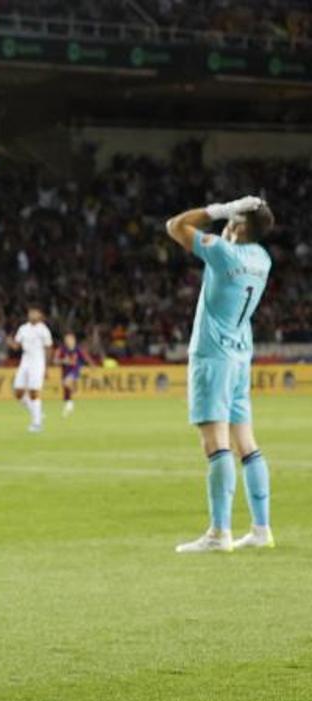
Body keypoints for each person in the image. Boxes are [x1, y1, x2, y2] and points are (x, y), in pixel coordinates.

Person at [165, 195, 275, 553]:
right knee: (246, 443)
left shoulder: (225, 253)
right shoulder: (262, 258)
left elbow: (175, 226)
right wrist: (238, 219)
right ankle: (261, 529)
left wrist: (218, 210)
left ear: (240, 226)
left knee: (216, 444)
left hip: (213, 356)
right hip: (242, 355)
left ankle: (219, 533)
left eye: (234, 220)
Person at [7, 307, 52, 432]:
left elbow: (48, 348)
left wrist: (47, 367)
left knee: (34, 391)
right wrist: (10, 342)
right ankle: (37, 412)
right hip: (25, 360)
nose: (32, 314)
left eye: (35, 312)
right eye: (30, 312)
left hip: (38, 361)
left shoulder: (44, 330)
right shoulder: (23, 328)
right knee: (18, 392)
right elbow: (16, 346)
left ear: (40, 315)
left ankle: (37, 423)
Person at [53, 331, 97, 417]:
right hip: (65, 371)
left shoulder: (78, 349)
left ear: (74, 340)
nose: (68, 341)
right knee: (66, 391)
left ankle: (74, 390)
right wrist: (63, 361)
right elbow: (55, 361)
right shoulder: (61, 350)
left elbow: (86, 358)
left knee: (67, 382)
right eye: (67, 339)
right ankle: (69, 405)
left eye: (70, 339)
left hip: (75, 370)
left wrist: (92, 365)